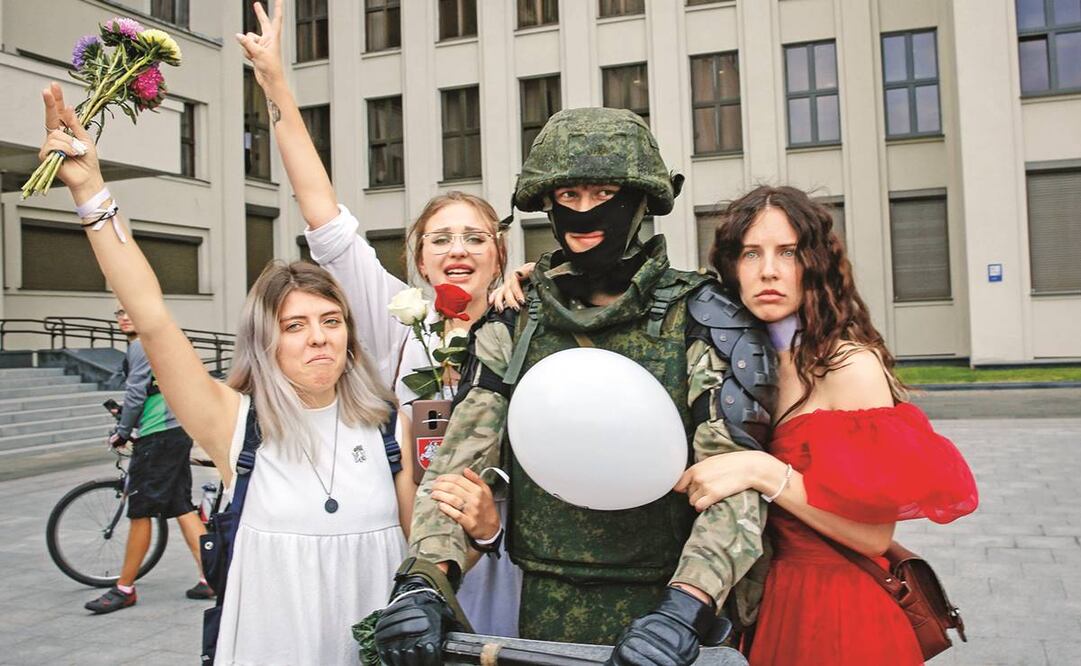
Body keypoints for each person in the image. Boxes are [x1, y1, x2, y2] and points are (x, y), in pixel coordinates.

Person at [374, 107, 778, 666]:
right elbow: (456, 468)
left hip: (667, 618)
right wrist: (426, 578)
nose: (586, 213)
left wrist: (686, 607)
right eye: (568, 197)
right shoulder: (515, 321)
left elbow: (732, 485)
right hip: (540, 612)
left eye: (604, 192)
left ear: (641, 201)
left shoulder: (703, 319)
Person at [38, 78, 422, 664]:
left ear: (349, 334)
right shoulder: (234, 424)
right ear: (266, 343)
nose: (317, 337)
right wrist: (90, 191)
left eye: (330, 321)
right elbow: (152, 315)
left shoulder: (389, 426)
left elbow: (418, 551)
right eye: (294, 326)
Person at [237, 0, 521, 636]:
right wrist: (277, 83)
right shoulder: (397, 321)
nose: (458, 251)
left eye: (475, 238)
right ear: (418, 257)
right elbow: (322, 212)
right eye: (440, 239)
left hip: (502, 546)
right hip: (408, 543)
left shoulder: (528, 325)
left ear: (499, 254)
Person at [676, 185, 979, 665]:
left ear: (814, 263)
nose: (768, 271)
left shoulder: (848, 365)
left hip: (839, 610)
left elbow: (873, 536)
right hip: (762, 603)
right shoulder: (733, 359)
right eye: (751, 253)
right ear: (732, 267)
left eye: (788, 252)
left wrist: (762, 471)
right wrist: (528, 278)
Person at [83, 305, 211, 614]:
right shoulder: (168, 340)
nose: (124, 317)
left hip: (158, 437)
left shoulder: (142, 344)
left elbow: (137, 392)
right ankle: (212, 577)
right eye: (118, 312)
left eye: (130, 310)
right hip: (177, 430)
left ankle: (124, 588)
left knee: (139, 510)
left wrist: (123, 430)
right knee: (182, 507)